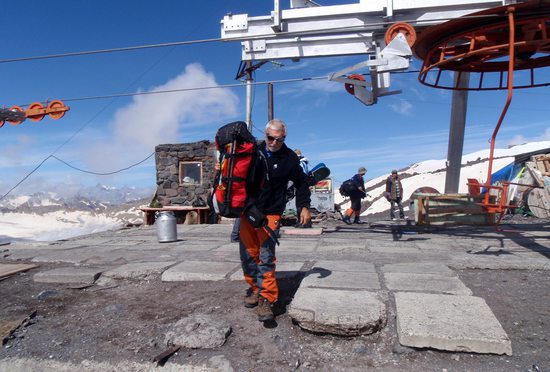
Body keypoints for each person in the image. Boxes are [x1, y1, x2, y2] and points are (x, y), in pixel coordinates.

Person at [240, 119, 311, 322]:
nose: (273, 142)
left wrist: (303, 206)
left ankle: (267, 299)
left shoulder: (289, 158)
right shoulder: (253, 151)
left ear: (284, 138)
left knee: (265, 257)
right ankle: (255, 288)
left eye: (278, 139)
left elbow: (301, 182)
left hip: (271, 213)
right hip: (248, 210)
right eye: (270, 138)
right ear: (265, 135)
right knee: (248, 255)